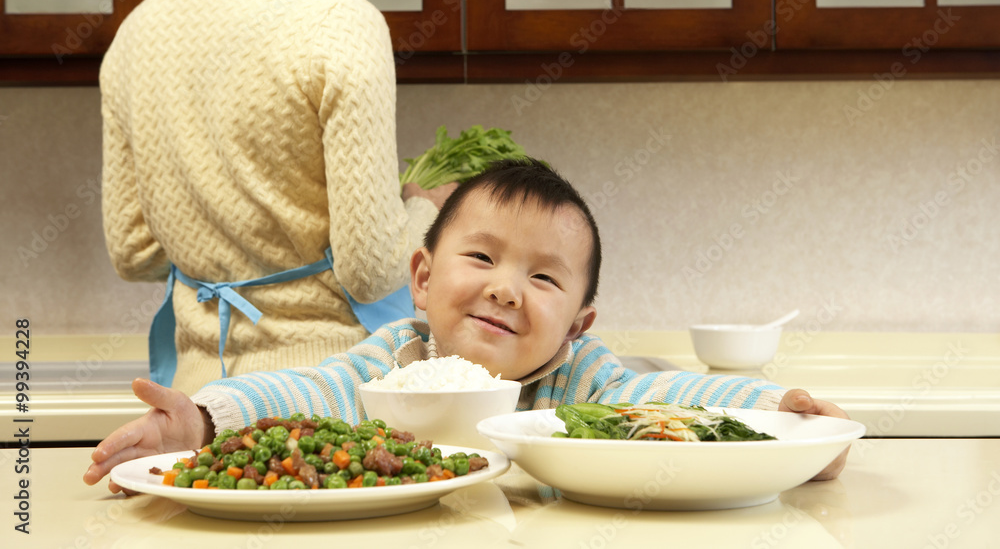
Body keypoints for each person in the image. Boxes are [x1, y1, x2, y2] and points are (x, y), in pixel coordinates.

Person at [84, 159, 851, 493]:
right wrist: (205, 421)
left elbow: (665, 397)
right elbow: (307, 391)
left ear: (579, 323)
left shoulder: (577, 380)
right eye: (481, 255)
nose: (507, 289)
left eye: (543, 276)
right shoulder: (393, 358)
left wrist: (782, 425)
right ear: (421, 279)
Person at [100, 0, 455, 396]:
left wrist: (220, 230)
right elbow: (373, 271)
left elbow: (135, 252)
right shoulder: (340, 23)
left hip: (194, 404)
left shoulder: (137, 30)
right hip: (327, 399)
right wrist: (424, 211)